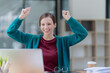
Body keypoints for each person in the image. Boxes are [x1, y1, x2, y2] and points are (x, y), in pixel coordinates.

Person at [7, 7, 88, 72]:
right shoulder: (31, 39)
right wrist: (20, 18)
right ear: (40, 26)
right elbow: (10, 31)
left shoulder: (63, 41)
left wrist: (70, 19)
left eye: (49, 24)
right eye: (43, 24)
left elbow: (82, 34)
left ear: (54, 25)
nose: (46, 27)